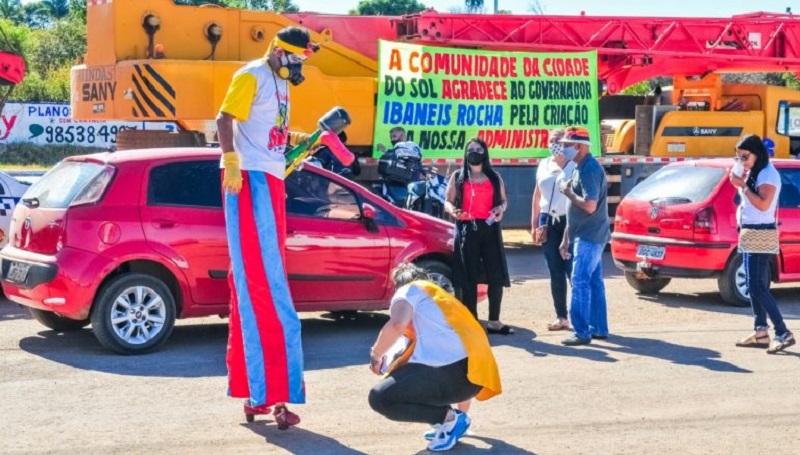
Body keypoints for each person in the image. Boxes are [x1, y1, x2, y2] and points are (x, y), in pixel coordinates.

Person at [216, 25, 318, 428]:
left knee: (251, 291)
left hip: (270, 181)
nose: (298, 66)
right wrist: (230, 161)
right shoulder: (251, 75)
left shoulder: (281, 83)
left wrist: (303, 140)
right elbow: (225, 119)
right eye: (295, 58)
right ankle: (275, 396)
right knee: (268, 290)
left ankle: (257, 394)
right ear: (279, 51)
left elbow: (268, 133)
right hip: (248, 181)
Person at [368, 263, 502, 452]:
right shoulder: (442, 300)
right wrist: (462, 414)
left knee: (380, 398)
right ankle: (448, 422)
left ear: (398, 285)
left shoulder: (409, 290)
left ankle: (447, 420)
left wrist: (376, 355)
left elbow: (397, 324)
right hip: (473, 378)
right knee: (401, 375)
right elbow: (462, 354)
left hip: (453, 375)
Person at [730, 134, 795, 354]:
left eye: (745, 157)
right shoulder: (755, 172)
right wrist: (742, 179)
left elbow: (763, 204)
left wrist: (742, 186)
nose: (742, 162)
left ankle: (782, 332)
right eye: (738, 157)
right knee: (751, 284)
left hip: (761, 231)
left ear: (757, 154)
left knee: (757, 286)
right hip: (750, 230)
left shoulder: (768, 174)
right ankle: (760, 332)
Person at [444, 138, 512, 334]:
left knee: (495, 273)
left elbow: (504, 201)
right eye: (470, 149)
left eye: (478, 149)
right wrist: (453, 211)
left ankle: (494, 321)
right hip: (467, 228)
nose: (474, 152)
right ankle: (471, 319)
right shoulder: (458, 176)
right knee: (468, 275)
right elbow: (447, 201)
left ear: (485, 153)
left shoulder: (494, 177)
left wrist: (500, 208)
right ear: (465, 154)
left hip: (490, 228)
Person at [557, 126, 610, 346]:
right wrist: (566, 239)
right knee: (594, 282)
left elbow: (588, 206)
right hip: (587, 234)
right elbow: (577, 210)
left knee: (579, 281)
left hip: (590, 236)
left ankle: (582, 331)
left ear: (579, 146)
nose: (564, 149)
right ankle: (598, 327)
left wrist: (569, 193)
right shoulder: (580, 167)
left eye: (568, 145)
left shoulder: (588, 169)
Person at [532, 129, 577, 331]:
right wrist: (534, 224)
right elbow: (537, 195)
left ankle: (580, 317)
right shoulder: (544, 164)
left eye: (558, 141)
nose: (554, 144)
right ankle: (562, 317)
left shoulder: (574, 165)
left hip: (569, 220)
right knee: (555, 270)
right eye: (551, 141)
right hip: (547, 220)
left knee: (572, 270)